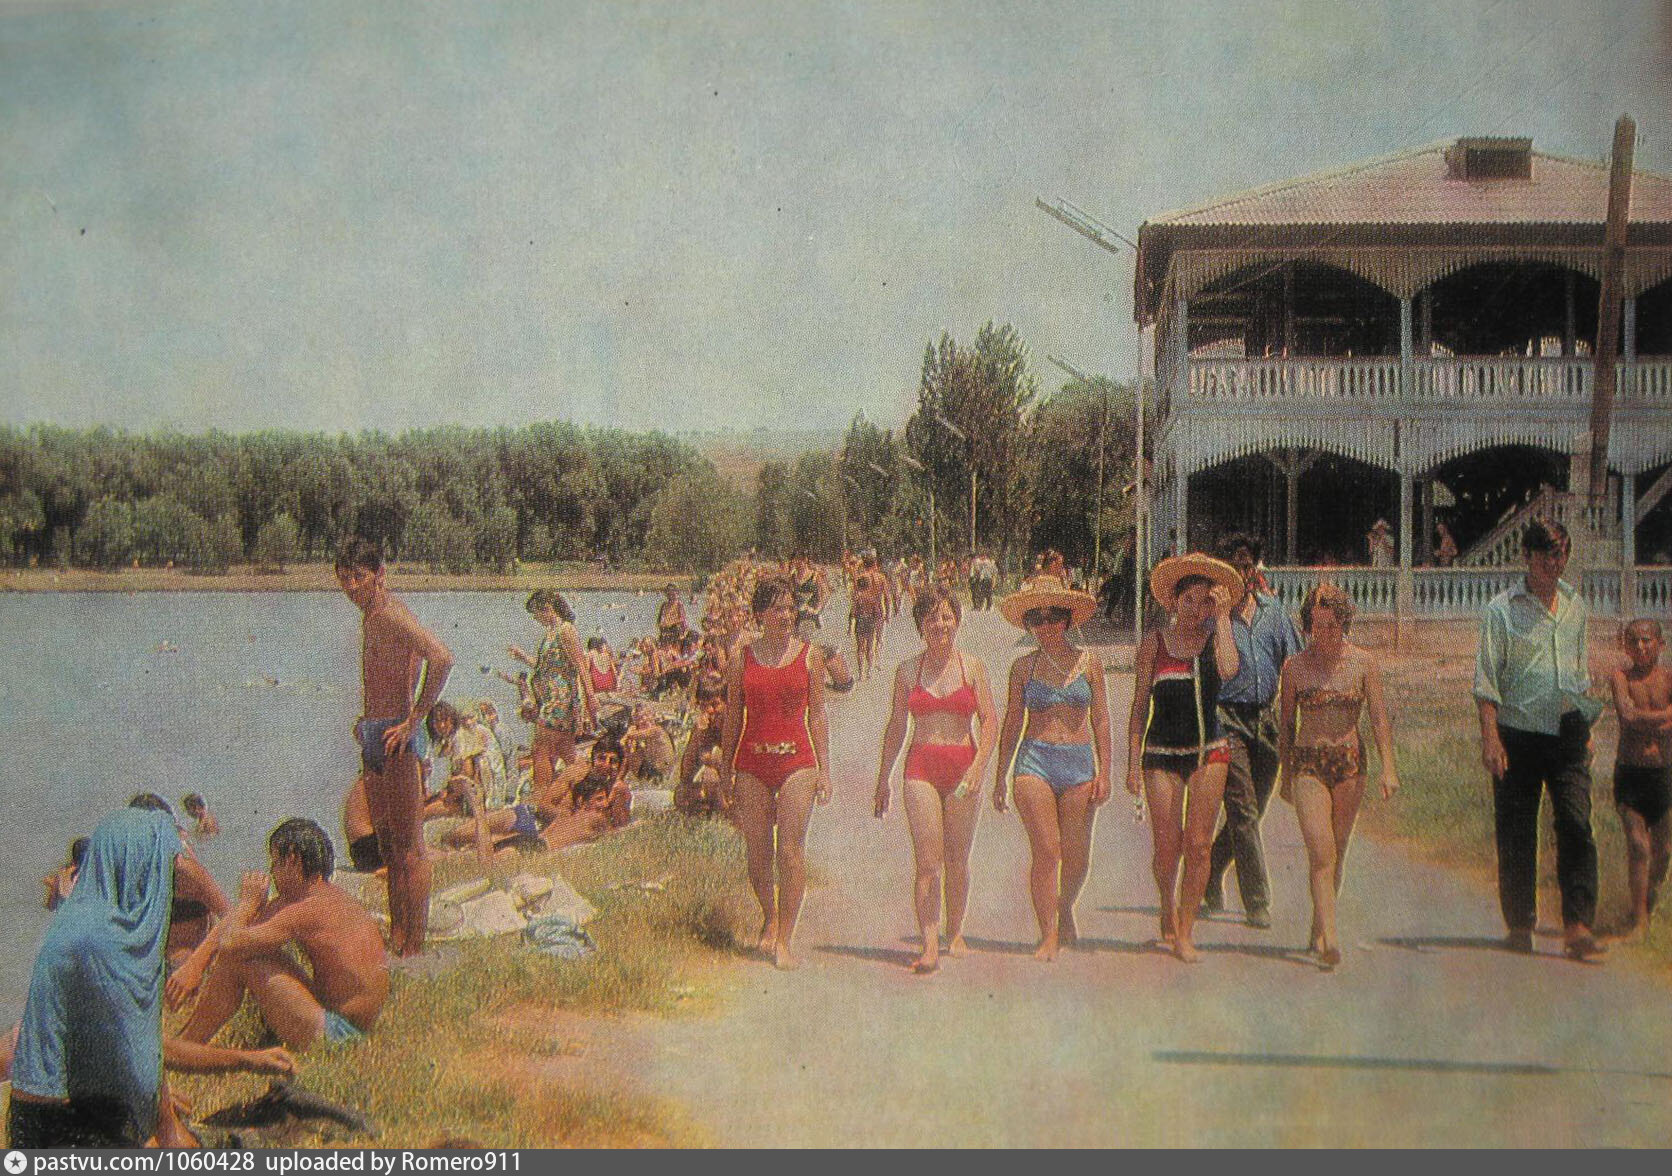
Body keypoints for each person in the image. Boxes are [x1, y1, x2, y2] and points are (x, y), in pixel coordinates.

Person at [10, 808, 193, 1147]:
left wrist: (161, 1110)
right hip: (62, 1126)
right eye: (158, 866)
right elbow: (132, 1057)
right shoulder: (99, 941)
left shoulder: (84, 916)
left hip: (56, 1113)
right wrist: (166, 1125)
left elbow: (133, 1049)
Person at [1473, 518, 1606, 961]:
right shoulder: (1501, 610)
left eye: (1561, 553)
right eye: (1548, 553)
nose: (1555, 562)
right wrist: (1491, 739)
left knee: (1576, 823)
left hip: (1568, 732)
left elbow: (1580, 673)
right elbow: (1487, 681)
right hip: (1518, 733)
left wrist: (1587, 729)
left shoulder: (1575, 606)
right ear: (1527, 556)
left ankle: (1578, 927)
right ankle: (1520, 923)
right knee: (1516, 832)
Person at [175, 818, 389, 1053]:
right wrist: (194, 965)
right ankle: (185, 1042)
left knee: (242, 958)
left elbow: (230, 944)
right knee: (254, 951)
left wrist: (247, 904)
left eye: (275, 863)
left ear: (292, 860)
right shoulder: (326, 897)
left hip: (339, 1035)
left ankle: (186, 1045)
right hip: (349, 1026)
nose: (271, 873)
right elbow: (243, 928)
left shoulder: (305, 910)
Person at [336, 538, 453, 958]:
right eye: (344, 578)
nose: (351, 586)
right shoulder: (372, 615)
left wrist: (414, 719)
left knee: (410, 848)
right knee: (387, 845)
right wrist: (369, 719)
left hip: (396, 735)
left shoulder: (389, 613)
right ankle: (398, 937)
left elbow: (441, 657)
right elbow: (403, 666)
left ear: (380, 575)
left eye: (359, 577)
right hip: (376, 732)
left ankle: (414, 947)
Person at [874, 586, 999, 974]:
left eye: (946, 616)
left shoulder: (972, 667)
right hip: (921, 768)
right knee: (928, 863)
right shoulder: (907, 671)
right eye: (931, 618)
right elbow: (897, 726)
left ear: (957, 621)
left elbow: (990, 721)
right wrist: (883, 778)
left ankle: (955, 930)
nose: (940, 624)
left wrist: (979, 766)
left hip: (963, 765)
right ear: (920, 626)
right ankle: (929, 942)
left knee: (957, 859)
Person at [1275, 584, 1400, 969]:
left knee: (1338, 851)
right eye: (1317, 626)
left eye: (1332, 625)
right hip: (1308, 763)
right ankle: (1331, 938)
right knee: (1321, 850)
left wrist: (1389, 768)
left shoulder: (1364, 663)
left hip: (1350, 764)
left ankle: (1320, 924)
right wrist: (1285, 774)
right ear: (1307, 626)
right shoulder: (1294, 667)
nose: (1325, 633)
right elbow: (1285, 726)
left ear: (1344, 623)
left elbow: (1378, 718)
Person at [1127, 554, 1241, 963]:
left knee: (1199, 845)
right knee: (1167, 847)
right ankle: (1166, 903)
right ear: (1174, 601)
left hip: (1209, 750)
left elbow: (1229, 669)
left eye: (1204, 601)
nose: (1195, 609)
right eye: (1188, 599)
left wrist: (1223, 617)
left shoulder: (1216, 639)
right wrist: (1131, 763)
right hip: (1161, 753)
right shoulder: (1154, 643)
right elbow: (1139, 705)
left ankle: (1186, 930)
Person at [992, 573, 1111, 962]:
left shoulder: (1090, 663)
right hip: (1034, 761)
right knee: (1047, 850)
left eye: (1053, 617)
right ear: (1029, 624)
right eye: (1036, 619)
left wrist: (1106, 771)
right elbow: (1013, 721)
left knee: (1077, 856)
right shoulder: (1022, 667)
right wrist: (1000, 776)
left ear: (1067, 618)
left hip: (1079, 763)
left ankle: (1063, 907)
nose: (1046, 626)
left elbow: (1101, 719)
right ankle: (1048, 934)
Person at [720, 575, 832, 969]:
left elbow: (817, 714)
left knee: (790, 851)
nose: (786, 615)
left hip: (797, 762)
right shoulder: (741, 658)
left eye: (790, 608)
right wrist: (725, 770)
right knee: (757, 852)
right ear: (760, 614)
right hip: (752, 763)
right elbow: (733, 716)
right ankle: (770, 915)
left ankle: (785, 937)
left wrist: (825, 769)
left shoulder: (810, 656)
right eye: (776, 608)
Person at [1201, 533, 1304, 929]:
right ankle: (1257, 901)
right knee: (1242, 809)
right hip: (1227, 719)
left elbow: (1294, 664)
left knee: (1254, 810)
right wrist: (1220, 615)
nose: (1240, 574)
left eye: (1246, 566)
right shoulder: (1212, 619)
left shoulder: (1273, 611)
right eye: (1233, 567)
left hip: (1265, 720)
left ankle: (1211, 868)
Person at [1608, 619, 1672, 939]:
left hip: (1663, 773)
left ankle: (1647, 898)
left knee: (1664, 849)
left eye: (1647, 640)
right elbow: (1627, 716)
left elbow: (1636, 717)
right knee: (1637, 845)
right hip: (1630, 772)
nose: (1641, 647)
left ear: (1661, 644)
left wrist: (1642, 718)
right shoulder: (1620, 677)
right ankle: (1639, 920)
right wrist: (1665, 717)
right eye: (1634, 641)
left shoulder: (1668, 678)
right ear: (1626, 646)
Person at [510, 588, 595, 804]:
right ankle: (590, 786)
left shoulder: (566, 630)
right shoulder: (551, 632)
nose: (535, 619)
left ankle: (541, 798)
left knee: (540, 749)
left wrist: (590, 698)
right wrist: (523, 658)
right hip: (551, 699)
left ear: (547, 609)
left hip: (560, 701)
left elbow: (580, 666)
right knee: (566, 751)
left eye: (536, 613)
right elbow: (548, 668)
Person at [677, 673, 730, 816]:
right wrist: (698, 734)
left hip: (738, 782)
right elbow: (685, 774)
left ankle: (726, 812)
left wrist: (712, 759)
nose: (710, 710)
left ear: (726, 702)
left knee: (710, 775)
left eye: (715, 704)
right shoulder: (705, 726)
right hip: (721, 782)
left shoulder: (735, 724)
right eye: (704, 705)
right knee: (681, 794)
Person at [849, 549, 889, 682]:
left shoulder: (860, 578)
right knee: (877, 639)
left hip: (862, 614)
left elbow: (855, 599)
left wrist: (850, 622)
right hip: (877, 611)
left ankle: (862, 672)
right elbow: (887, 597)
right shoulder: (881, 578)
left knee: (861, 646)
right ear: (875, 564)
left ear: (864, 564)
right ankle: (876, 663)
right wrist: (888, 613)